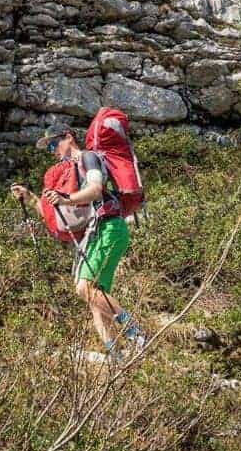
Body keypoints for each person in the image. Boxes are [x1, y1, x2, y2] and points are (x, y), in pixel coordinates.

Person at [11, 123, 145, 359]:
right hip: (96, 233)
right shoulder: (72, 173)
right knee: (96, 302)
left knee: (85, 288)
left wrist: (65, 199)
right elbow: (63, 215)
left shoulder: (89, 158)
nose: (52, 150)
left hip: (108, 227)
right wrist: (31, 199)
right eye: (49, 147)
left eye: (54, 143)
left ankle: (137, 335)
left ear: (69, 137)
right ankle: (117, 359)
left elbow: (95, 190)